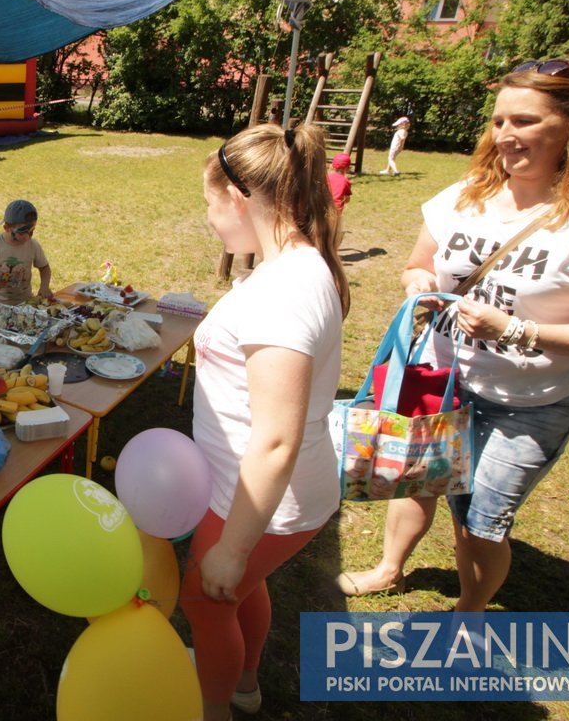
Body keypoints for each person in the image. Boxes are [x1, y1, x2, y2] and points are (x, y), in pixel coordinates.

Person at [336, 57, 569, 612]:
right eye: (498, 122)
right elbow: (419, 265)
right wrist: (419, 281)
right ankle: (389, 569)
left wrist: (515, 328)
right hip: (442, 377)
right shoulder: (466, 194)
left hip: (529, 403)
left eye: (525, 121)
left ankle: (469, 608)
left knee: (480, 517)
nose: (506, 136)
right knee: (415, 475)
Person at [182, 123, 349, 721]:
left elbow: (275, 439)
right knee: (240, 591)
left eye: (208, 203)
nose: (208, 218)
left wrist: (234, 545)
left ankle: (213, 709)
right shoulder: (295, 265)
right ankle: (246, 684)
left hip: (257, 500)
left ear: (238, 197)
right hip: (262, 495)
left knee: (204, 601)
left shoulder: (283, 290)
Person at [0, 199, 54, 306]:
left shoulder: (32, 245)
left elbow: (44, 268)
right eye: (22, 232)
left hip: (24, 300)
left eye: (31, 231)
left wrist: (44, 286)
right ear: (7, 228)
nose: (28, 236)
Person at [327, 152, 353, 246]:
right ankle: (331, 251)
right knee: (335, 233)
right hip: (336, 211)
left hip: (324, 207)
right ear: (347, 168)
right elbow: (347, 199)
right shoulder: (346, 181)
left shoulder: (326, 177)